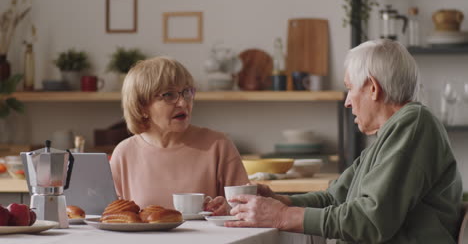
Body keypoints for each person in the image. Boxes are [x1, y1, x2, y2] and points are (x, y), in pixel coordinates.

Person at [226, 39, 463, 243]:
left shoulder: (414, 125)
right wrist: (279, 201)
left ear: (372, 88)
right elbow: (334, 197)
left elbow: (370, 221)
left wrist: (282, 216)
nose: (347, 101)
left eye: (350, 88)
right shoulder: (390, 136)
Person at [110, 56, 249, 215]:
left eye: (187, 92)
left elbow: (249, 208)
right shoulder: (124, 153)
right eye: (169, 95)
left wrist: (229, 209)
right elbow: (112, 216)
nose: (183, 103)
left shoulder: (219, 145)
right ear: (142, 106)